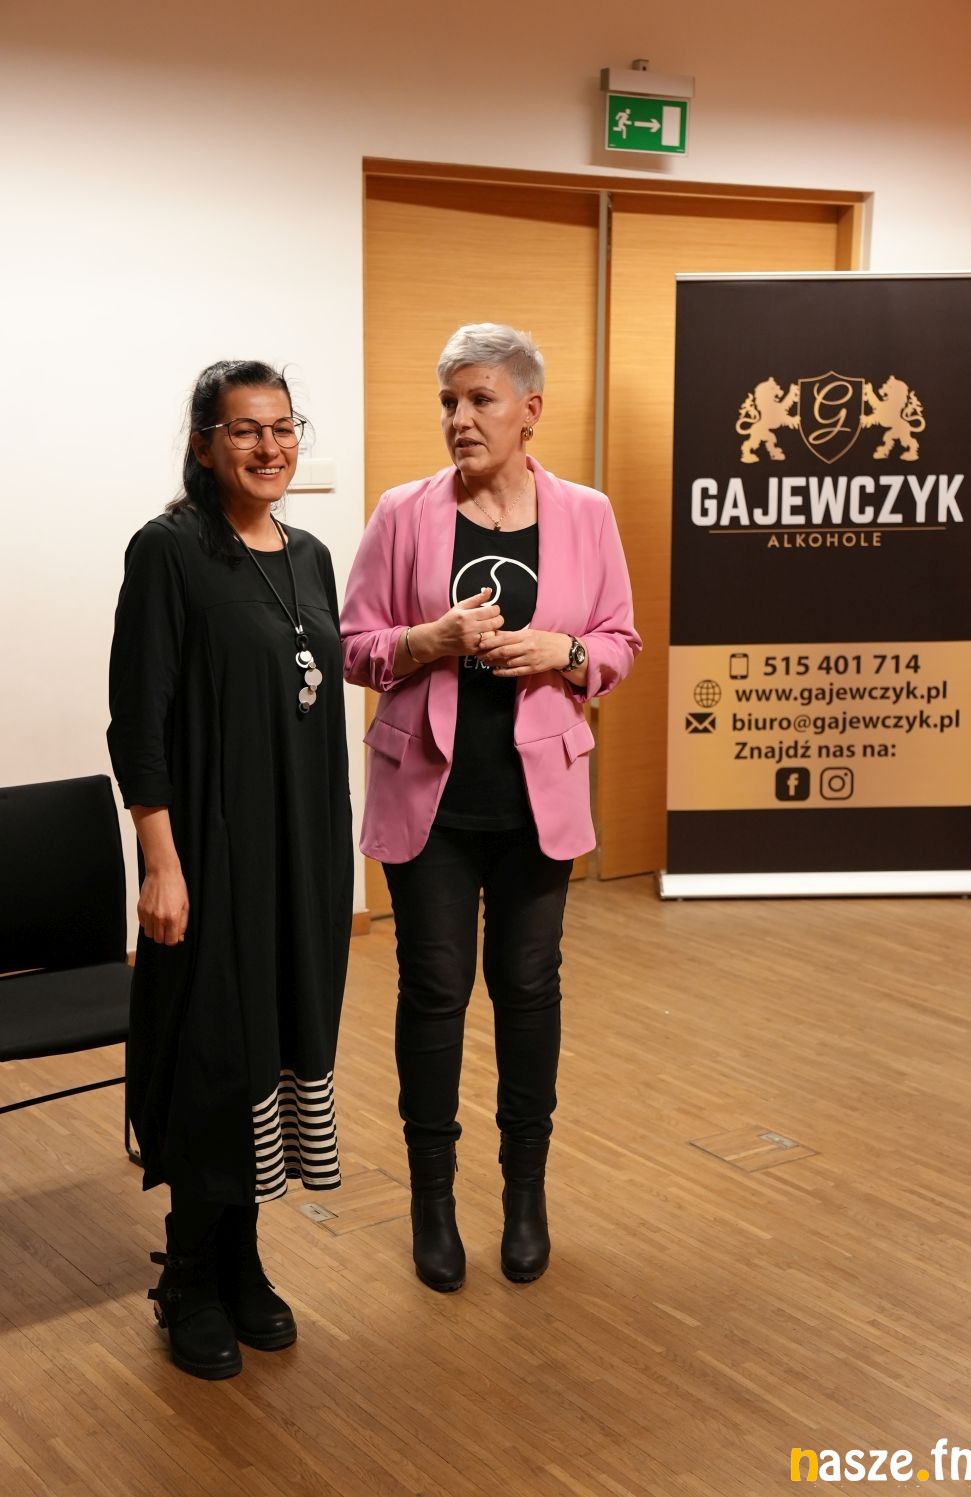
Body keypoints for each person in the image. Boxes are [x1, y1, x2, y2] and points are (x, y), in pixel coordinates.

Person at [340, 323, 640, 1292]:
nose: (460, 419)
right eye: (448, 402)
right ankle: (432, 1202)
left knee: (529, 990)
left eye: (480, 399)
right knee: (433, 992)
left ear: (529, 410)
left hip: (534, 800)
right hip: (429, 796)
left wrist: (568, 653)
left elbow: (620, 639)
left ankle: (524, 1195)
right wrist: (425, 641)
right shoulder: (403, 511)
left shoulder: (587, 513)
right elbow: (353, 645)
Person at [108, 360, 353, 1379]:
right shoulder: (168, 551)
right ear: (205, 444)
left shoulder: (311, 556)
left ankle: (243, 1260)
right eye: (244, 429)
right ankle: (189, 1277)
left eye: (282, 427)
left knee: (277, 1049)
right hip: (210, 854)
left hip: (301, 851)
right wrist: (160, 866)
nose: (268, 446)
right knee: (215, 1056)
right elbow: (139, 724)